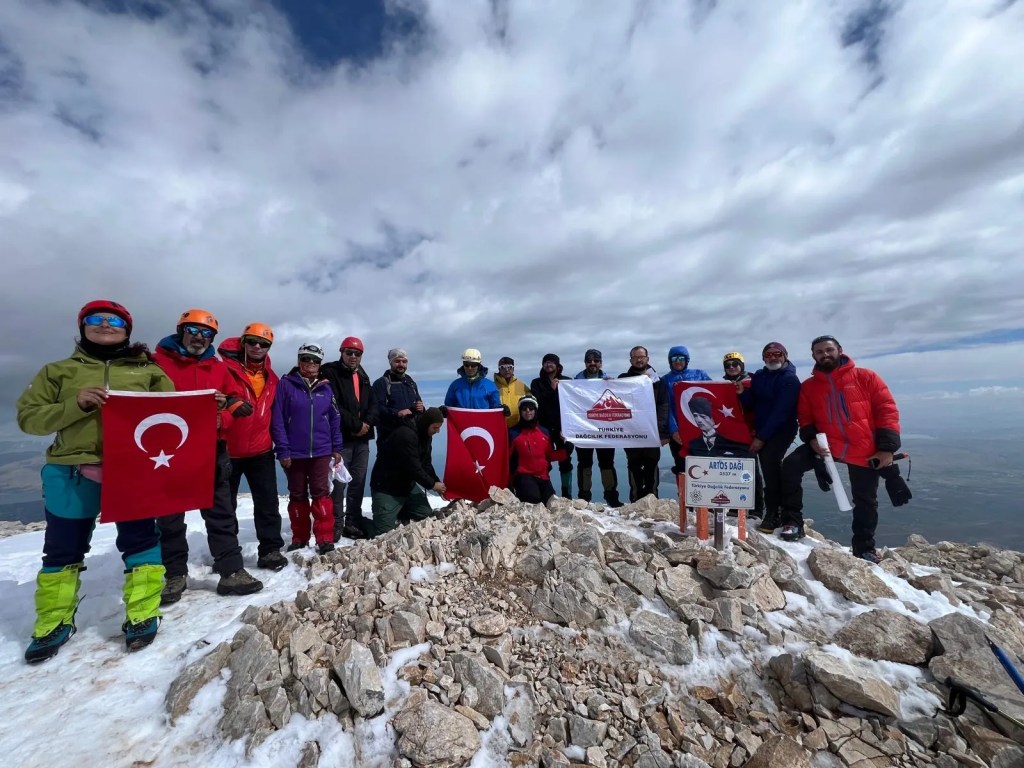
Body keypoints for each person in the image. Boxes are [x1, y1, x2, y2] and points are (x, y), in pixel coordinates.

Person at [16, 300, 174, 662]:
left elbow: (175, 410)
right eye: (96, 319)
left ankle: (143, 613)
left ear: (127, 330)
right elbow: (29, 418)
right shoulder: (57, 371)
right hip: (71, 469)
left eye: (114, 320)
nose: (105, 324)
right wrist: (76, 403)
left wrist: (210, 406)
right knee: (63, 549)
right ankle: (53, 623)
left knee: (141, 541)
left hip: (132, 469)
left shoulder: (148, 371)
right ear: (82, 326)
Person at [154, 309, 263, 604]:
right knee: (170, 517)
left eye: (206, 333)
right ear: (181, 330)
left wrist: (221, 419)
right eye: (193, 330)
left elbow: (233, 402)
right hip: (167, 452)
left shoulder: (218, 369)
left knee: (220, 513)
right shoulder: (156, 364)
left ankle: (231, 571)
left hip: (211, 449)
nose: (199, 337)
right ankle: (174, 574)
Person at [776, 335, 901, 564]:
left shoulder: (866, 376)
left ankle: (864, 548)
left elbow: (887, 409)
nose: (825, 354)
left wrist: (887, 448)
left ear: (839, 350)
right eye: (819, 352)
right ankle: (792, 522)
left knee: (865, 499)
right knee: (791, 465)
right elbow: (805, 417)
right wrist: (811, 439)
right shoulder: (809, 387)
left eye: (829, 350)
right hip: (827, 445)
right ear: (813, 356)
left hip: (863, 447)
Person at [218, 323, 286, 571]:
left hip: (261, 450)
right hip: (228, 449)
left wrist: (283, 446)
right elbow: (208, 396)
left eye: (264, 344)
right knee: (225, 507)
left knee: (268, 503)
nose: (257, 347)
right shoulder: (223, 369)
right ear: (243, 342)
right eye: (252, 341)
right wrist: (229, 402)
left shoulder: (272, 378)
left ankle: (270, 550)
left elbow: (276, 415)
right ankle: (227, 554)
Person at [271, 344, 343, 555]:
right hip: (294, 452)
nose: (310, 363)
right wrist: (283, 450)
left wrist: (336, 447)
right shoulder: (286, 385)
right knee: (297, 494)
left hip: (321, 450)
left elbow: (334, 419)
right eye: (306, 358)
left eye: (315, 360)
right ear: (299, 360)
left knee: (322, 493)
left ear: (320, 364)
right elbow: (278, 419)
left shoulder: (326, 387)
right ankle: (300, 537)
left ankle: (325, 538)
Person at [738, 342, 800, 533]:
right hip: (762, 430)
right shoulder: (759, 376)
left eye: (777, 354)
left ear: (785, 356)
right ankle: (777, 512)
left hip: (781, 430)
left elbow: (782, 412)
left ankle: (775, 514)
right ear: (763, 358)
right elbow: (752, 403)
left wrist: (761, 438)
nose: (773, 357)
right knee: (770, 470)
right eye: (768, 354)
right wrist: (742, 393)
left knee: (770, 466)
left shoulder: (790, 379)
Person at [321, 336, 379, 541]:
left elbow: (373, 403)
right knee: (338, 484)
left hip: (362, 439)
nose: (353, 356)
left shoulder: (362, 375)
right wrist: (357, 425)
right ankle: (336, 524)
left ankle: (352, 522)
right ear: (341, 352)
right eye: (349, 352)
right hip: (341, 438)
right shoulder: (330, 372)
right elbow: (332, 404)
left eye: (357, 353)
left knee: (358, 481)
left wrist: (367, 424)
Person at [368, 407, 447, 537]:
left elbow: (426, 463)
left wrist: (437, 482)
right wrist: (432, 485)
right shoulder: (406, 435)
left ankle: (402, 512)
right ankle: (359, 524)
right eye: (435, 428)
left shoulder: (426, 435)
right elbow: (413, 467)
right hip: (387, 487)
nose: (437, 431)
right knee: (382, 533)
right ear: (427, 423)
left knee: (425, 514)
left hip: (406, 486)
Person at [618, 346, 670, 502]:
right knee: (633, 465)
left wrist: (661, 432)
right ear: (631, 360)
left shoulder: (658, 381)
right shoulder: (623, 379)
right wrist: (606, 383)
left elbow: (663, 406)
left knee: (651, 465)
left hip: (652, 431)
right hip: (631, 432)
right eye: (635, 357)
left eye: (641, 357)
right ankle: (635, 500)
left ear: (647, 358)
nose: (639, 360)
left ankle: (652, 499)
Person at [572, 349, 622, 507]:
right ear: (585, 362)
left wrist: (615, 385)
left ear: (601, 363)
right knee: (584, 463)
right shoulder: (575, 383)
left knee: (607, 463)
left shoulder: (609, 381)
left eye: (596, 360)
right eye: (589, 360)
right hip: (583, 429)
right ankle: (584, 496)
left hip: (605, 429)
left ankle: (611, 496)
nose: (592, 363)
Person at [662, 345, 712, 476]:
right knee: (682, 467)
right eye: (674, 358)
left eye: (681, 358)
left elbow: (714, 395)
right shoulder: (665, 380)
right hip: (678, 432)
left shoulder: (700, 375)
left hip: (700, 429)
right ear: (670, 361)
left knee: (704, 466)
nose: (678, 361)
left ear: (687, 359)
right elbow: (666, 407)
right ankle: (683, 489)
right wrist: (673, 430)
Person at [530, 353, 574, 498]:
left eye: (552, 362)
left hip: (563, 428)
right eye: (546, 362)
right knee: (543, 461)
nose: (549, 365)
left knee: (565, 460)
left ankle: (567, 495)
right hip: (544, 429)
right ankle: (545, 493)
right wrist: (552, 390)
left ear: (557, 365)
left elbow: (576, 402)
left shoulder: (567, 381)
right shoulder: (536, 383)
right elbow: (537, 403)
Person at [508, 396, 558, 504]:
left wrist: (565, 451)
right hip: (523, 476)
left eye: (531, 408)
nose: (528, 411)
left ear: (535, 410)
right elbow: (506, 458)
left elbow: (550, 455)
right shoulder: (513, 433)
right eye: (524, 408)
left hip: (543, 476)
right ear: (520, 411)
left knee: (551, 503)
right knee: (533, 499)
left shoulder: (544, 432)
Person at [372, 348, 424, 446]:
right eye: (397, 361)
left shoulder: (411, 383)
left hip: (412, 436)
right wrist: (397, 413)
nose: (401, 364)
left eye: (404, 361)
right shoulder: (381, 383)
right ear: (390, 362)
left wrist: (421, 408)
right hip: (389, 439)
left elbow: (418, 404)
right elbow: (376, 408)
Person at [685, 396, 752, 457]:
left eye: (703, 417)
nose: (699, 420)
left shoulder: (730, 442)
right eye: (695, 416)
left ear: (713, 418)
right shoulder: (692, 444)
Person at [494, 356, 530, 429]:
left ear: (513, 369)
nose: (506, 370)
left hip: (519, 427)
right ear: (499, 369)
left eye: (509, 367)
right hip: (499, 426)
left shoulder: (522, 385)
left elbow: (530, 404)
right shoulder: (492, 387)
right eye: (503, 367)